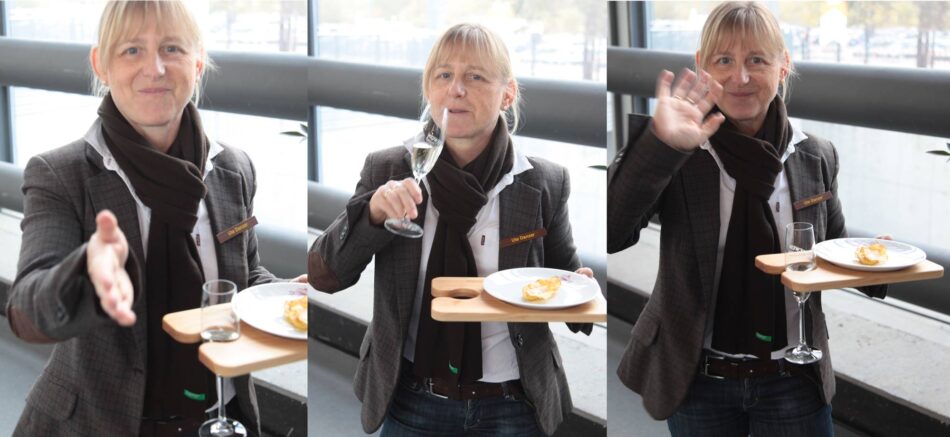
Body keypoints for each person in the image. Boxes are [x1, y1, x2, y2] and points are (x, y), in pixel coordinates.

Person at [5, 1, 301, 435]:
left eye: (172, 49)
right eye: (132, 50)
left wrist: (289, 296)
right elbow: (27, 311)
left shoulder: (234, 169)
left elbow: (243, 275)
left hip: (220, 419)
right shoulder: (62, 174)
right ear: (101, 65)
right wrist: (85, 271)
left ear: (197, 62)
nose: (155, 69)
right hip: (101, 424)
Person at [608, 2, 886, 436]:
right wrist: (661, 146)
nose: (739, 78)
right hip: (698, 378)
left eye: (756, 60)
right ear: (702, 67)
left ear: (783, 65)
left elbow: (831, 250)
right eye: (724, 60)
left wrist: (875, 261)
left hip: (793, 375)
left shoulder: (815, 154)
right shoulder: (680, 149)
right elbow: (612, 231)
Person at [309, 23, 594, 436]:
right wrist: (372, 215)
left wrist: (578, 288)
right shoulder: (387, 170)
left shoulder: (544, 182)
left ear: (507, 94)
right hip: (412, 399)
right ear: (429, 90)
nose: (456, 89)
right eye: (444, 75)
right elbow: (325, 276)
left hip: (514, 403)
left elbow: (564, 279)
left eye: (475, 76)